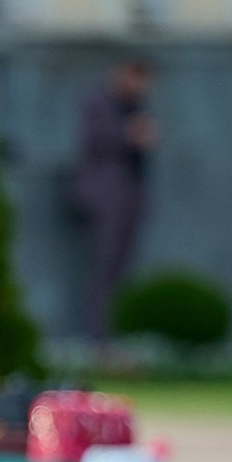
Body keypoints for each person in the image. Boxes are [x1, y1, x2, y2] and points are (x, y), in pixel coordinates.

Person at [71, 56, 157, 337]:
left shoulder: (134, 105)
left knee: (122, 267)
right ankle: (99, 335)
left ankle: (116, 331)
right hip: (106, 193)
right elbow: (93, 140)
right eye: (135, 77)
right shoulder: (99, 101)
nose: (140, 85)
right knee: (106, 267)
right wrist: (129, 134)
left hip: (129, 192)